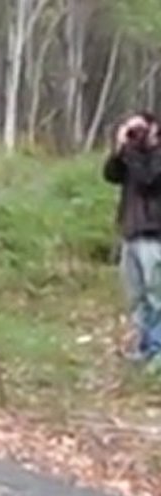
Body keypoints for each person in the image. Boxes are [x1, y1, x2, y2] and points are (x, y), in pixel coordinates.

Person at [103, 111, 161, 367]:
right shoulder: (132, 156)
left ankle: (157, 351)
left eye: (140, 129)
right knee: (137, 297)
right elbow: (111, 174)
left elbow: (149, 179)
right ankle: (144, 347)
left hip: (154, 236)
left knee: (157, 296)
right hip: (132, 234)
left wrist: (134, 150)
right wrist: (120, 148)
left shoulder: (155, 158)